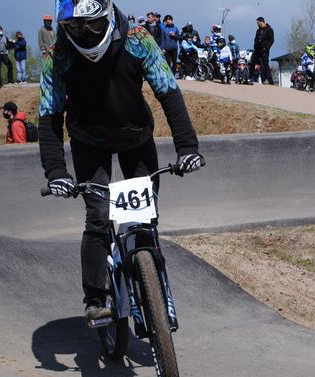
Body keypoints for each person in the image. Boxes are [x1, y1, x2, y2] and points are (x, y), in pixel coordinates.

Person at [39, 0, 203, 322]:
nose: (84, 34)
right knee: (99, 216)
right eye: (74, 27)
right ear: (62, 27)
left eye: (92, 25)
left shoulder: (138, 39)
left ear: (108, 16)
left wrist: (187, 148)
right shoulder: (57, 55)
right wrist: (56, 172)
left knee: (144, 221)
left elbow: (168, 93)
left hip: (135, 137)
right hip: (88, 141)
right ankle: (95, 299)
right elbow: (49, 116)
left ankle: (158, 290)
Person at [251, 17, 274, 85]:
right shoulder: (258, 31)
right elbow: (255, 39)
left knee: (265, 64)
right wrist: (255, 46)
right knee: (253, 61)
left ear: (262, 22)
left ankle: (269, 80)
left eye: (258, 23)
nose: (257, 24)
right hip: (257, 49)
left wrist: (267, 47)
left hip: (264, 50)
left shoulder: (269, 29)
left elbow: (272, 40)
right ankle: (250, 77)